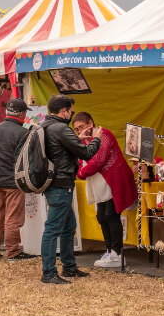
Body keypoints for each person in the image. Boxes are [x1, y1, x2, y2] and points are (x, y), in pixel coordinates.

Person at [40, 94, 103, 284]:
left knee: (68, 227)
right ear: (64, 111)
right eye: (71, 111)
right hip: (61, 185)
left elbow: (59, 148)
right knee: (52, 230)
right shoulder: (60, 128)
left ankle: (68, 267)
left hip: (54, 184)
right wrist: (96, 139)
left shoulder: (46, 126)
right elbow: (86, 152)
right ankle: (49, 273)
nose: (71, 114)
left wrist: (75, 138)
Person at [74, 112, 137, 269]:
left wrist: (81, 173)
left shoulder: (104, 134)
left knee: (111, 215)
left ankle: (118, 254)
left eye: (81, 127)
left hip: (113, 181)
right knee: (102, 216)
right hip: (100, 184)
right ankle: (109, 251)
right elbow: (80, 158)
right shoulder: (84, 141)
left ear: (91, 123)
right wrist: (79, 141)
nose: (79, 131)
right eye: (76, 129)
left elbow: (99, 160)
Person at [0, 98, 33, 261]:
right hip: (13, 181)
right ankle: (13, 252)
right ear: (21, 113)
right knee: (13, 218)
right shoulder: (23, 132)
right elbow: (27, 158)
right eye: (25, 113)